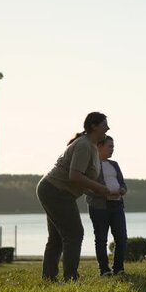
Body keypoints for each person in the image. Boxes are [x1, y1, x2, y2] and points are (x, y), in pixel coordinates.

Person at [36, 112, 112, 282]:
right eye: (104, 124)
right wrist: (98, 187)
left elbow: (80, 180)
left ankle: (49, 278)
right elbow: (74, 176)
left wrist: (96, 191)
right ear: (93, 126)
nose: (107, 128)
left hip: (57, 191)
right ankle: (70, 278)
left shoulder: (91, 147)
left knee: (57, 237)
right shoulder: (84, 145)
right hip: (55, 191)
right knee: (74, 234)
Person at [85, 135, 128, 276]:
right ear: (99, 146)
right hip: (99, 206)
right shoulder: (91, 165)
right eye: (110, 146)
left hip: (117, 205)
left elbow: (122, 184)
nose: (112, 149)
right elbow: (88, 188)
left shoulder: (114, 164)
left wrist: (121, 190)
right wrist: (105, 193)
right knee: (101, 238)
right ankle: (104, 270)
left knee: (121, 237)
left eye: (113, 147)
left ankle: (118, 268)